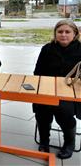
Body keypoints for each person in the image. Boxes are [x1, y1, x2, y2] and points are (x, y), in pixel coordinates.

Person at [33, 19, 81, 159]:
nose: (63, 35)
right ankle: (44, 141)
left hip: (71, 93)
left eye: (67, 32)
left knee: (63, 110)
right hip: (47, 89)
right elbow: (37, 72)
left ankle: (69, 143)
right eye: (60, 32)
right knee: (41, 109)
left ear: (75, 34)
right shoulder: (47, 49)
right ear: (55, 33)